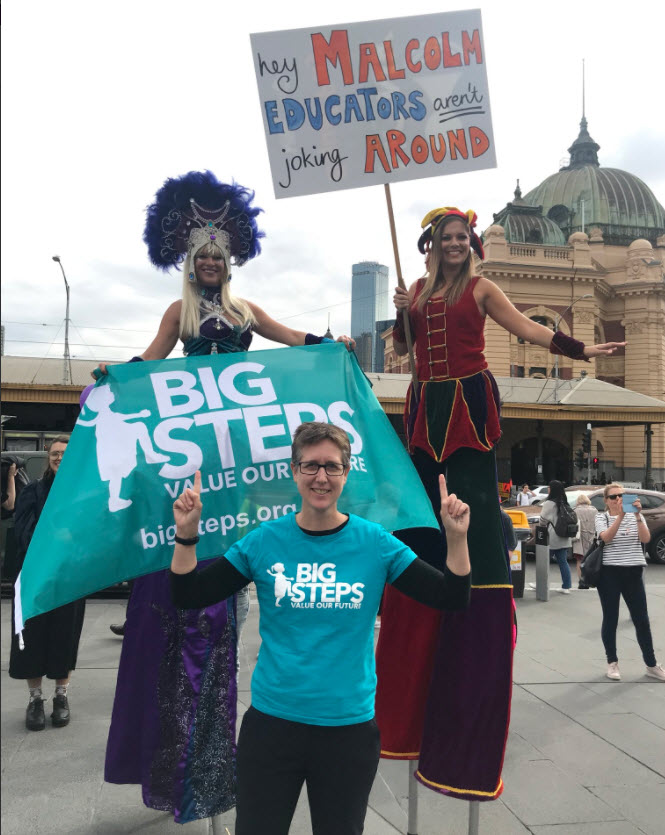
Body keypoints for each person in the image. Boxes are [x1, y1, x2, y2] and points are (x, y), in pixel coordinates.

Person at [102, 171, 354, 824]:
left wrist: (335, 346)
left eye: (218, 254)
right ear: (191, 264)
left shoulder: (244, 313)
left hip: (235, 455)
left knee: (230, 563)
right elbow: (148, 361)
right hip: (194, 446)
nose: (210, 262)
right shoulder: (178, 314)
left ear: (228, 262)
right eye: (201, 255)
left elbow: (295, 338)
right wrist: (113, 377)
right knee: (188, 553)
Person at [377, 206, 623, 799]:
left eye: (463, 237)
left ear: (471, 245)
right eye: (447, 238)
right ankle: (416, 568)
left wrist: (578, 349)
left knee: (471, 495)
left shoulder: (484, 288)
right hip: (423, 399)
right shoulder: (415, 291)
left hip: (465, 396)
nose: (457, 245)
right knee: (419, 494)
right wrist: (399, 318)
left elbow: (528, 331)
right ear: (430, 244)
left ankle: (482, 569)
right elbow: (404, 351)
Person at [170, 421, 471, 835]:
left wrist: (457, 539)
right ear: (294, 471)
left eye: (332, 466)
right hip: (273, 725)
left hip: (347, 730)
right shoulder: (263, 541)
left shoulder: (375, 542)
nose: (321, 477)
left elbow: (451, 597)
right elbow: (189, 594)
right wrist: (186, 536)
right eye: (310, 466)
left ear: (347, 473)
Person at [9, 436, 85, 730]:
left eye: (65, 454)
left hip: (69, 577)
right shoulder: (32, 491)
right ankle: (35, 699)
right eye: (55, 453)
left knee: (64, 636)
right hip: (36, 576)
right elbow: (23, 533)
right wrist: (55, 542)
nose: (59, 458)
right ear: (47, 457)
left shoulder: (82, 493)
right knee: (32, 636)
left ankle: (61, 697)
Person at [596, 483, 665, 682]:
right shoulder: (601, 517)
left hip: (634, 572)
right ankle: (612, 663)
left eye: (621, 496)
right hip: (609, 573)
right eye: (614, 497)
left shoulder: (638, 516)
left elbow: (646, 538)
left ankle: (651, 664)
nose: (618, 499)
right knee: (611, 618)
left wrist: (635, 516)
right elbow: (606, 538)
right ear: (607, 501)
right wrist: (620, 517)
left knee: (641, 619)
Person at [540, 480, 575, 593]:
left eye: (549, 487)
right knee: (563, 562)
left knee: (543, 561)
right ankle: (566, 587)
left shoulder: (549, 503)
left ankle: (540, 583)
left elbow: (542, 520)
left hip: (552, 537)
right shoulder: (564, 502)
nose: (548, 489)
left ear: (552, 489)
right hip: (564, 537)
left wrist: (542, 525)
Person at [572, 493, 597, 588]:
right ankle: (589, 580)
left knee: (579, 560)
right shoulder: (594, 510)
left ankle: (581, 581)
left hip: (579, 538)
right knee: (590, 560)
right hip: (591, 537)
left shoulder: (575, 511)